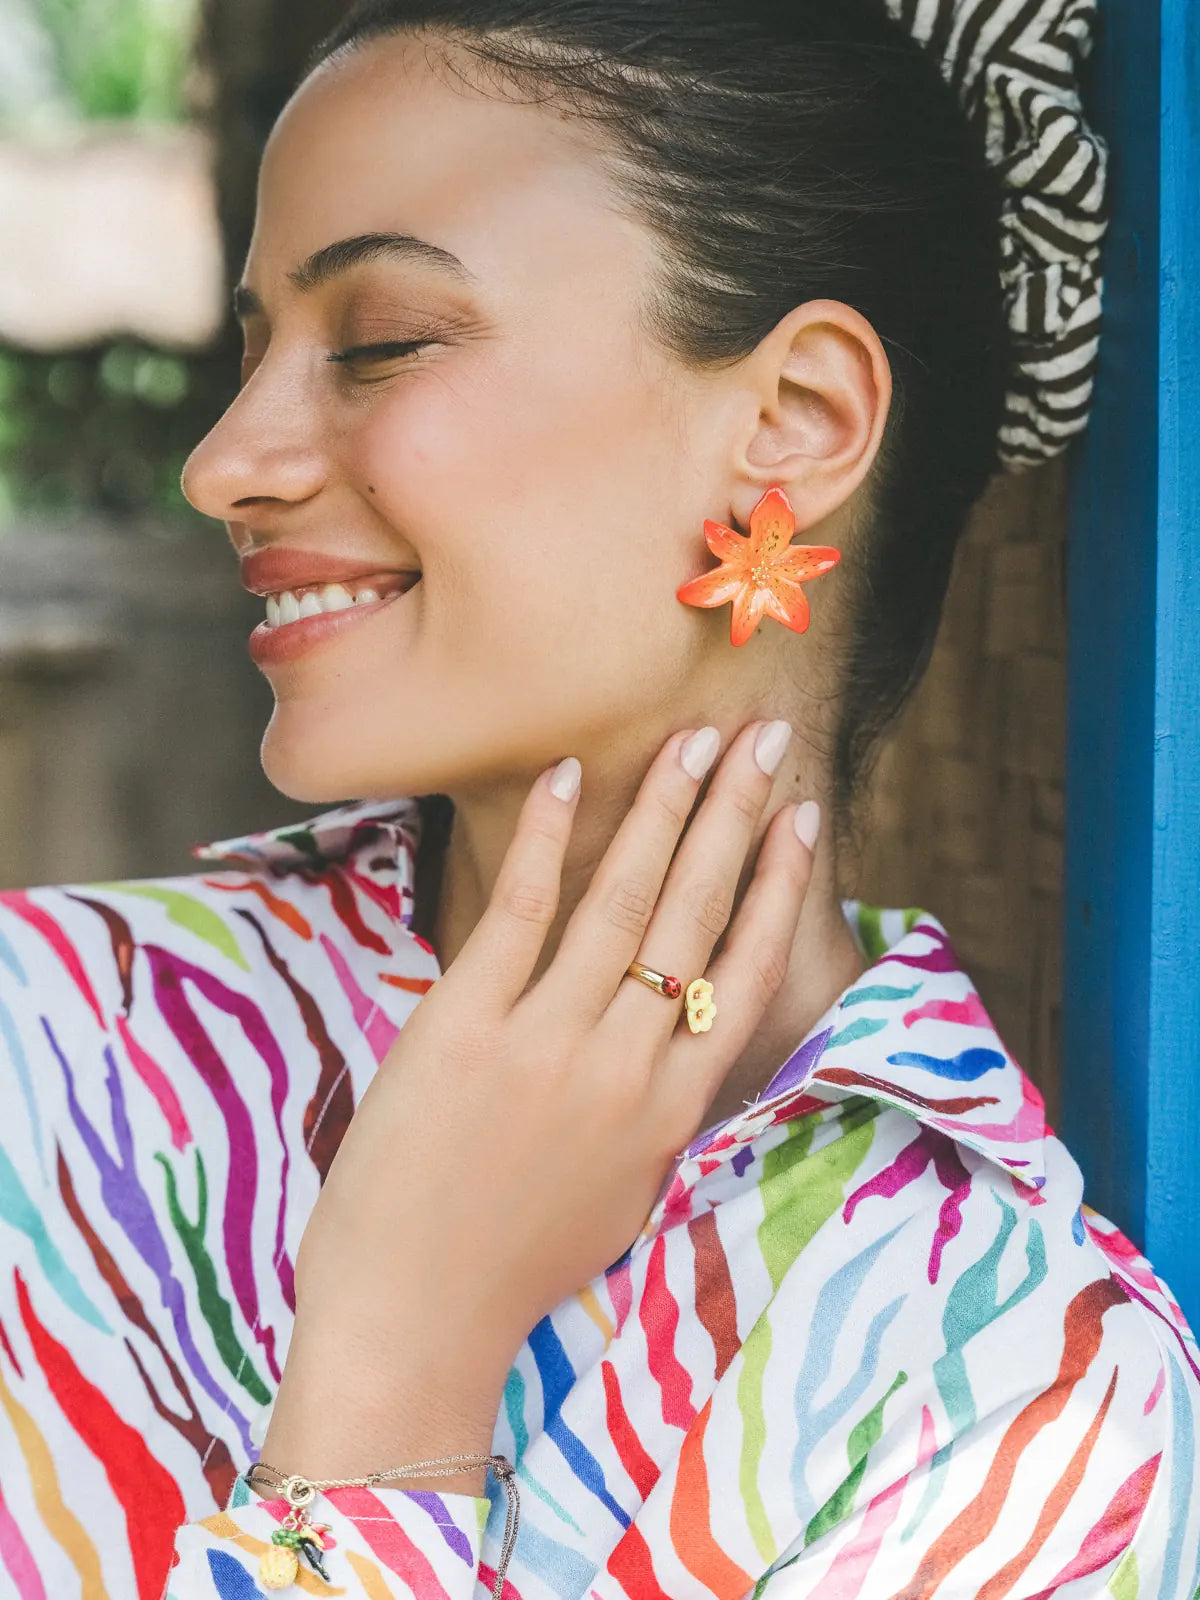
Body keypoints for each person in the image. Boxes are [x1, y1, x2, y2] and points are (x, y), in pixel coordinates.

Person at [1, 0, 1197, 1596]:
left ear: (796, 422)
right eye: (253, 352)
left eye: (380, 342)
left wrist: (395, 1383)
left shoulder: (1019, 1402)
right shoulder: (43, 1044)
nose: (225, 460)